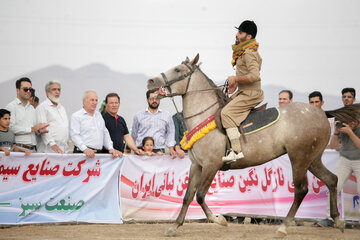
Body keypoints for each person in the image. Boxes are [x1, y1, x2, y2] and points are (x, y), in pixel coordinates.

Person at [221, 20, 264, 163]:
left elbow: (254, 76)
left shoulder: (249, 53)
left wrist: (235, 78)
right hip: (243, 91)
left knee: (226, 113)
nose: (236, 35)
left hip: (251, 94)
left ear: (248, 36)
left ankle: (236, 151)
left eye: (240, 32)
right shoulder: (242, 51)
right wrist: (235, 84)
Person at [317, 88, 359, 227]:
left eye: (349, 96)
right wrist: (335, 132)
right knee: (334, 186)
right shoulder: (340, 116)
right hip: (345, 158)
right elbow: (335, 146)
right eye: (344, 96)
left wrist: (350, 132)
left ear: (354, 98)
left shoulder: (358, 116)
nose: (346, 98)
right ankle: (330, 218)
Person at [69, 90, 121, 159]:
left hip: (98, 154)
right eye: (92, 100)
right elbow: (74, 136)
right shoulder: (76, 116)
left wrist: (110, 148)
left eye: (96, 100)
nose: (95, 102)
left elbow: (105, 133)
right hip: (83, 153)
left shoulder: (98, 115)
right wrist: (85, 149)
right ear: (84, 101)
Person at [5, 77, 49, 152]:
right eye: (25, 89)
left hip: (33, 150)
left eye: (30, 89)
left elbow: (33, 130)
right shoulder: (11, 107)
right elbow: (10, 128)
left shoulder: (32, 108)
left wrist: (39, 130)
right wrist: (31, 129)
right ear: (17, 90)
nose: (28, 91)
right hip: (19, 149)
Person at [132, 89, 177, 158]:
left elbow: (170, 133)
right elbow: (134, 134)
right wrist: (135, 149)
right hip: (141, 151)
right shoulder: (138, 115)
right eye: (152, 99)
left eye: (157, 98)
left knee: (159, 169)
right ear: (147, 100)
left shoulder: (167, 115)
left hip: (159, 151)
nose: (154, 101)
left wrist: (171, 148)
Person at [36, 80, 69, 153]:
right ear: (47, 92)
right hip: (49, 148)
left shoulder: (62, 108)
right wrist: (52, 144)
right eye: (54, 89)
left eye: (59, 89)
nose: (57, 92)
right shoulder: (42, 107)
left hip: (63, 149)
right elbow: (43, 129)